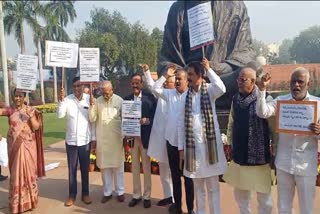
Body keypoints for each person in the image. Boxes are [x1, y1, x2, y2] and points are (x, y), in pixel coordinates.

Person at [158, 1, 255, 109]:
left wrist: (217, 68)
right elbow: (166, 59)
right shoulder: (178, 9)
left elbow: (245, 53)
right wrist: (189, 72)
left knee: (252, 71)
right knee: (171, 80)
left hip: (222, 78)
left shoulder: (236, 6)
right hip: (188, 79)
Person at [256, 67, 320, 214]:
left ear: (308, 84)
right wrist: (262, 90)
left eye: (300, 82)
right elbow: (262, 112)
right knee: (283, 207)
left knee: (307, 208)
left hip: (306, 165)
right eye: (293, 82)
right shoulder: (281, 102)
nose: (296, 85)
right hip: (284, 163)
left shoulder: (318, 105)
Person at [177, 58, 227, 214]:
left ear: (199, 75)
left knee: (213, 187)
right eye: (188, 74)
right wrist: (180, 148)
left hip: (210, 148)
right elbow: (180, 124)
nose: (189, 77)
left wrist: (209, 69)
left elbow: (222, 88)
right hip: (193, 150)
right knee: (199, 187)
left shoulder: (210, 90)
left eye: (191, 74)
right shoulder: (186, 96)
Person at [142, 64, 194, 214]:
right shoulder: (169, 95)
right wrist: (165, 75)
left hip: (186, 144)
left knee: (188, 179)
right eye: (175, 79)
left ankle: (190, 209)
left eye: (180, 79)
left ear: (187, 81)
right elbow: (154, 88)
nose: (177, 81)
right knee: (175, 177)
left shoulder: (191, 95)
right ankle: (177, 205)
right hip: (171, 142)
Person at [223, 67, 273, 214]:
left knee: (264, 198)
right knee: (241, 195)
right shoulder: (236, 99)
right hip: (240, 153)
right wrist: (230, 144)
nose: (239, 82)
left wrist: (275, 147)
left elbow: (273, 127)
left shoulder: (265, 98)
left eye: (243, 79)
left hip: (260, 156)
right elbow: (231, 122)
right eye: (238, 79)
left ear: (253, 81)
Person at [0, 89, 45, 213]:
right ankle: (16, 203)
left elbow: (36, 127)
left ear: (24, 97)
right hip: (14, 148)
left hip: (28, 148)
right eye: (16, 96)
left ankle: (30, 201)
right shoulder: (11, 110)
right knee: (15, 175)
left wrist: (30, 116)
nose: (18, 98)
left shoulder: (31, 110)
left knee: (29, 173)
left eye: (20, 96)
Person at [57, 76, 96, 206]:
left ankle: (85, 194)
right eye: (74, 86)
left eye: (78, 86)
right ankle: (72, 196)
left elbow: (93, 120)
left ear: (83, 86)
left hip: (85, 141)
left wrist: (92, 105)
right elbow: (60, 115)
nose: (76, 88)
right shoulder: (67, 99)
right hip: (71, 141)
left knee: (85, 169)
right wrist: (61, 100)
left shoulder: (89, 99)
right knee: (72, 170)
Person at [142, 64, 174, 206]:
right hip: (161, 138)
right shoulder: (162, 93)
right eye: (167, 80)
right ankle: (168, 196)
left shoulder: (180, 95)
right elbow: (152, 85)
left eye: (170, 80)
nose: (167, 82)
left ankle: (175, 199)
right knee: (163, 169)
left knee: (174, 171)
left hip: (174, 139)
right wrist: (147, 71)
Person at [124, 73, 157, 209]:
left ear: (142, 84)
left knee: (146, 167)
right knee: (135, 167)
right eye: (133, 83)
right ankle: (136, 195)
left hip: (144, 137)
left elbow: (154, 117)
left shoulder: (150, 99)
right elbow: (124, 118)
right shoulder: (127, 99)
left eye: (137, 82)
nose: (135, 85)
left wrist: (147, 120)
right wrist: (126, 131)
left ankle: (147, 196)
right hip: (132, 138)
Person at [89, 81, 125, 203]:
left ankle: (120, 192)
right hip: (103, 140)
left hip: (117, 139)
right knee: (105, 169)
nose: (106, 96)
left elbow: (125, 119)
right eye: (103, 93)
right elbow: (92, 118)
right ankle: (107, 192)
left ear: (112, 90)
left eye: (107, 93)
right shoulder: (97, 101)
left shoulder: (120, 101)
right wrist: (92, 105)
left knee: (118, 167)